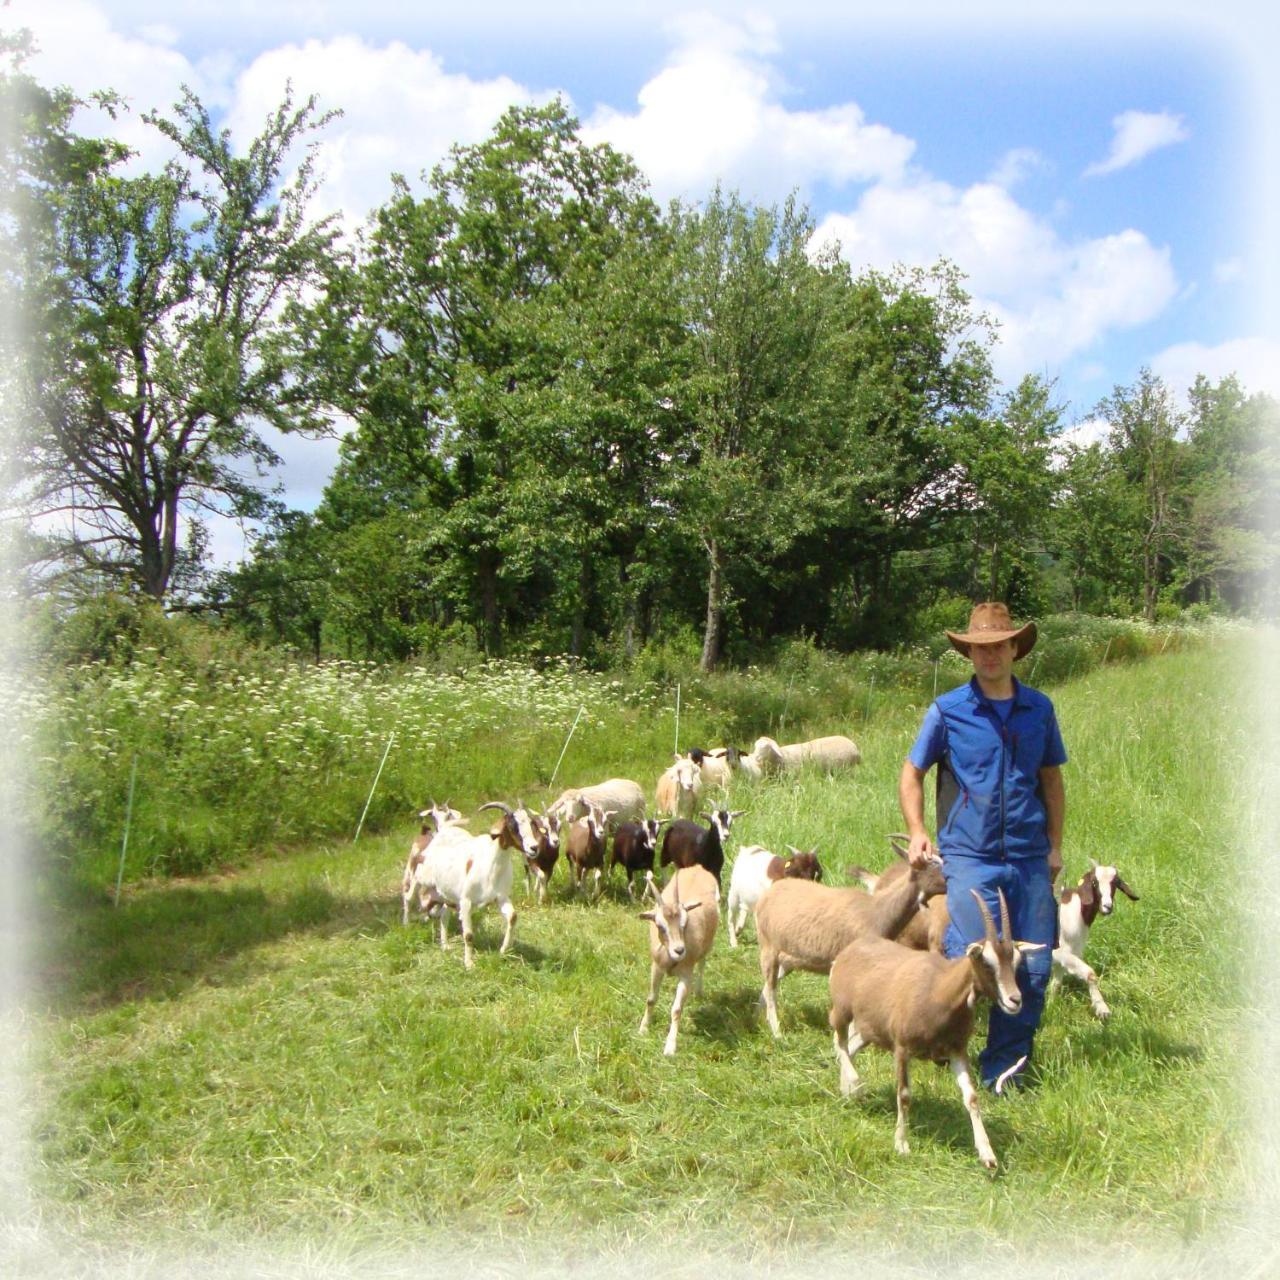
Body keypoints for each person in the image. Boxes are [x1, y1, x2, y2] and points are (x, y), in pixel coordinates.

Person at [898, 601, 1066, 1092]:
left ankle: (1005, 1071)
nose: (989, 655)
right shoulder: (948, 711)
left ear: (1015, 648)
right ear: (968, 653)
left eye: (998, 646)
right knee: (971, 960)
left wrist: (1054, 845)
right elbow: (912, 772)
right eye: (979, 648)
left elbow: (1051, 780)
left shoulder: (1040, 709)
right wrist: (916, 829)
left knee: (1032, 965)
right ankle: (946, 1043)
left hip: (1029, 857)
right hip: (969, 859)